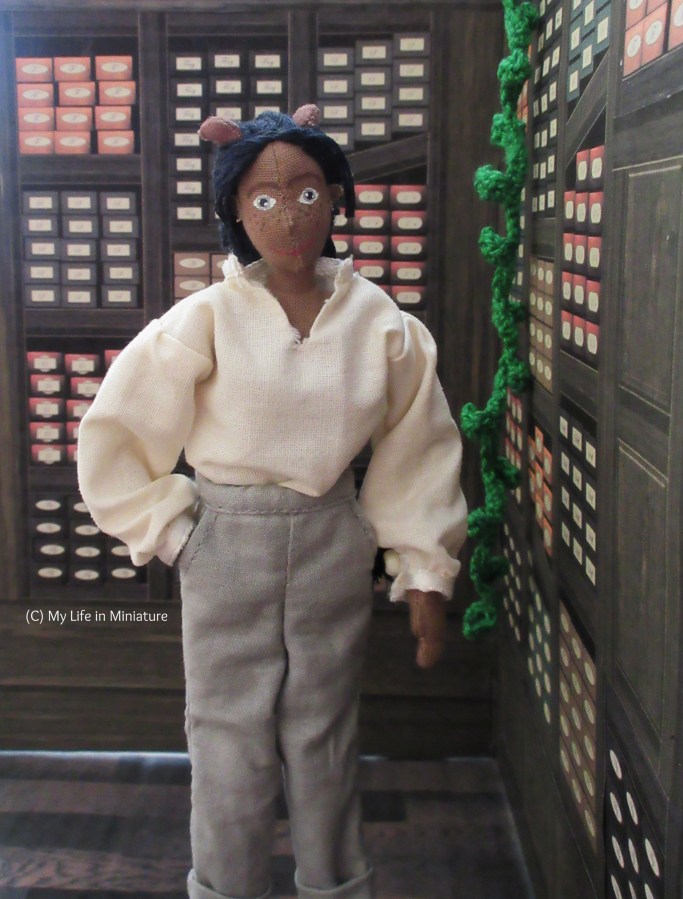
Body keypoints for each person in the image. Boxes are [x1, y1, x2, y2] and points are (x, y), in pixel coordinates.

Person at [77, 104, 467, 899]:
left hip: (330, 535)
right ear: (235, 209)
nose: (287, 216)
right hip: (227, 542)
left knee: (326, 728)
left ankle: (335, 883)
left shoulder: (377, 321)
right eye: (263, 197)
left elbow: (417, 446)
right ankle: (227, 885)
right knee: (225, 732)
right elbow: (120, 429)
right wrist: (175, 532)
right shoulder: (205, 319)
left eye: (306, 192)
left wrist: (423, 569)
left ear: (335, 199)